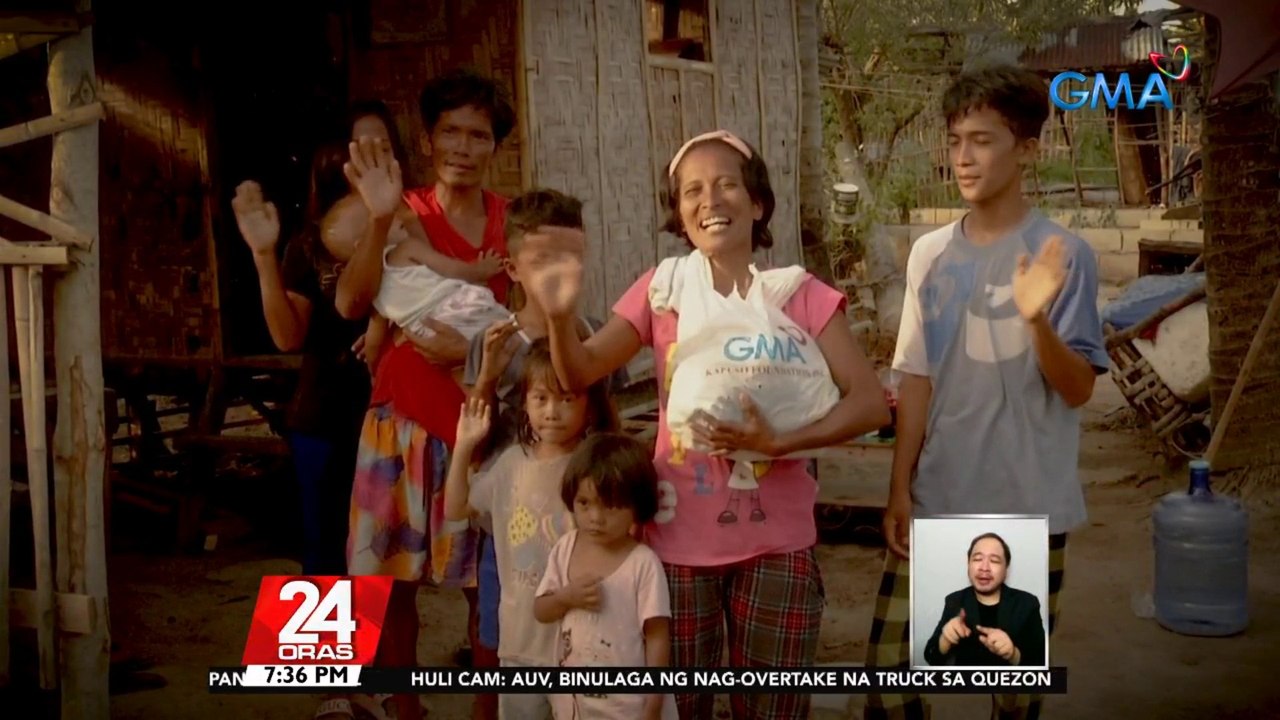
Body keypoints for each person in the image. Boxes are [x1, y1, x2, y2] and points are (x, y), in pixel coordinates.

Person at [520, 129, 891, 719]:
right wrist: (561, 317)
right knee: (677, 706)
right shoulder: (661, 291)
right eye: (692, 190)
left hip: (779, 545)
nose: (709, 199)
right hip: (677, 545)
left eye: (725, 185)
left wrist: (780, 442)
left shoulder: (800, 296)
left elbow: (869, 403)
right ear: (680, 214)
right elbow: (580, 371)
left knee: (772, 710)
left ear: (758, 203)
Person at [864, 65, 1108, 720]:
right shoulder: (930, 255)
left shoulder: (1065, 253)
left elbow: (1079, 388)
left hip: (1027, 501)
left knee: (1012, 699)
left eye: (983, 139)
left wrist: (1035, 318)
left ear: (1026, 149)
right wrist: (899, 489)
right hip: (942, 491)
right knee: (889, 684)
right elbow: (915, 375)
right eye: (955, 141)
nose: (964, 158)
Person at [336, 70, 517, 720]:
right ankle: (401, 707)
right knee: (388, 584)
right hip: (398, 425)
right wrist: (381, 217)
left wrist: (468, 352)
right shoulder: (401, 210)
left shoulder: (510, 226)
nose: (463, 147)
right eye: (451, 132)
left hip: (480, 428)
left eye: (479, 134)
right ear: (429, 137)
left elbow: (538, 321)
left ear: (495, 145)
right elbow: (353, 302)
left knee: (488, 586)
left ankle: (488, 708)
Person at [463, 188, 629, 720]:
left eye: (571, 259)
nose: (559, 272)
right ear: (512, 268)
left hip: (582, 529)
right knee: (502, 636)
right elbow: (474, 429)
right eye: (542, 262)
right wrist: (488, 376)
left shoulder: (596, 336)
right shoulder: (495, 341)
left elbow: (608, 422)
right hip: (511, 525)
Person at [445, 340, 619, 720]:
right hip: (521, 642)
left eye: (566, 399)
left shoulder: (597, 467)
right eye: (540, 398)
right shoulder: (511, 465)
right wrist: (463, 447)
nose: (552, 412)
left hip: (586, 645)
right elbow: (456, 507)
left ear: (589, 404)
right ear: (524, 403)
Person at [534, 432, 678, 720]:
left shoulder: (643, 564)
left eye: (610, 505)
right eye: (584, 503)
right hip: (573, 706)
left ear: (637, 506)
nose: (595, 518)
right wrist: (566, 597)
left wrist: (653, 703)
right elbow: (541, 610)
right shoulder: (565, 549)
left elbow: (657, 637)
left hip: (627, 708)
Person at [923, 533, 1046, 668]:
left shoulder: (1027, 604)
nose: (984, 567)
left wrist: (1013, 654)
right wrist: (944, 640)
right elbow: (930, 656)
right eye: (977, 559)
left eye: (994, 561)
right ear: (968, 564)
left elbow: (1042, 662)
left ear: (1006, 569)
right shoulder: (955, 601)